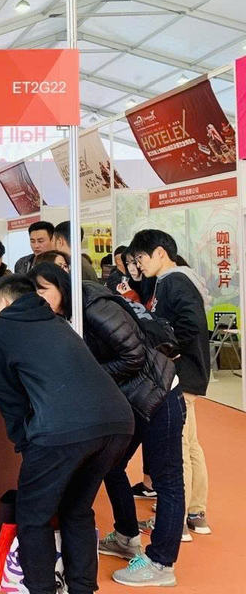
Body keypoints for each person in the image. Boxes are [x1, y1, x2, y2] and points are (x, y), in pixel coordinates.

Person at [30, 263, 186, 587]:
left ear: (62, 283)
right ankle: (127, 535)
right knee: (110, 466)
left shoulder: (93, 304)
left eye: (43, 289)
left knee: (167, 478)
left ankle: (161, 563)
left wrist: (89, 378)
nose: (38, 297)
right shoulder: (63, 317)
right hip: (129, 402)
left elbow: (134, 355)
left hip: (159, 394)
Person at [0, 275, 133, 594]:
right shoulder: (57, 321)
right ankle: (82, 588)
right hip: (117, 422)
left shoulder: (1, 326)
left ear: (5, 302)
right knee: (77, 509)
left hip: (62, 430)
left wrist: (24, 441)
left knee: (33, 515)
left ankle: (42, 589)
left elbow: (7, 395)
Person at [130, 230, 212, 540]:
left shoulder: (175, 281)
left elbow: (191, 326)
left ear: (160, 253)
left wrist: (170, 351)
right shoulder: (174, 280)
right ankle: (195, 513)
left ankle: (176, 521)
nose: (138, 264)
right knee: (190, 445)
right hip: (187, 373)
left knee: (178, 449)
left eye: (141, 257)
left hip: (181, 374)